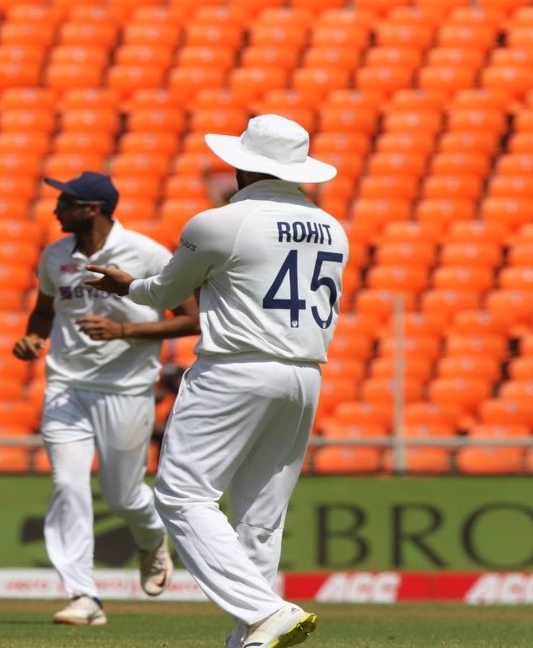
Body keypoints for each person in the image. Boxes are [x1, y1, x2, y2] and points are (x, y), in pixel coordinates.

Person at [85, 115, 347, 648]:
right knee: (261, 513)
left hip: (235, 368)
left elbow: (163, 294)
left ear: (243, 166)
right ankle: (250, 635)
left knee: (181, 496)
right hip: (304, 374)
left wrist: (127, 285)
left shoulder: (220, 221)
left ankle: (263, 610)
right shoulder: (331, 225)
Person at [11, 172, 200, 626]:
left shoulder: (148, 253)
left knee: (125, 498)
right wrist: (33, 340)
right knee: (67, 486)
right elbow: (42, 311)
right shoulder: (55, 256)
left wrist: (124, 331)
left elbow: (192, 320)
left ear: (92, 209)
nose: (56, 210)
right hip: (66, 388)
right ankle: (84, 596)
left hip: (127, 389)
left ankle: (152, 539)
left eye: (66, 202)